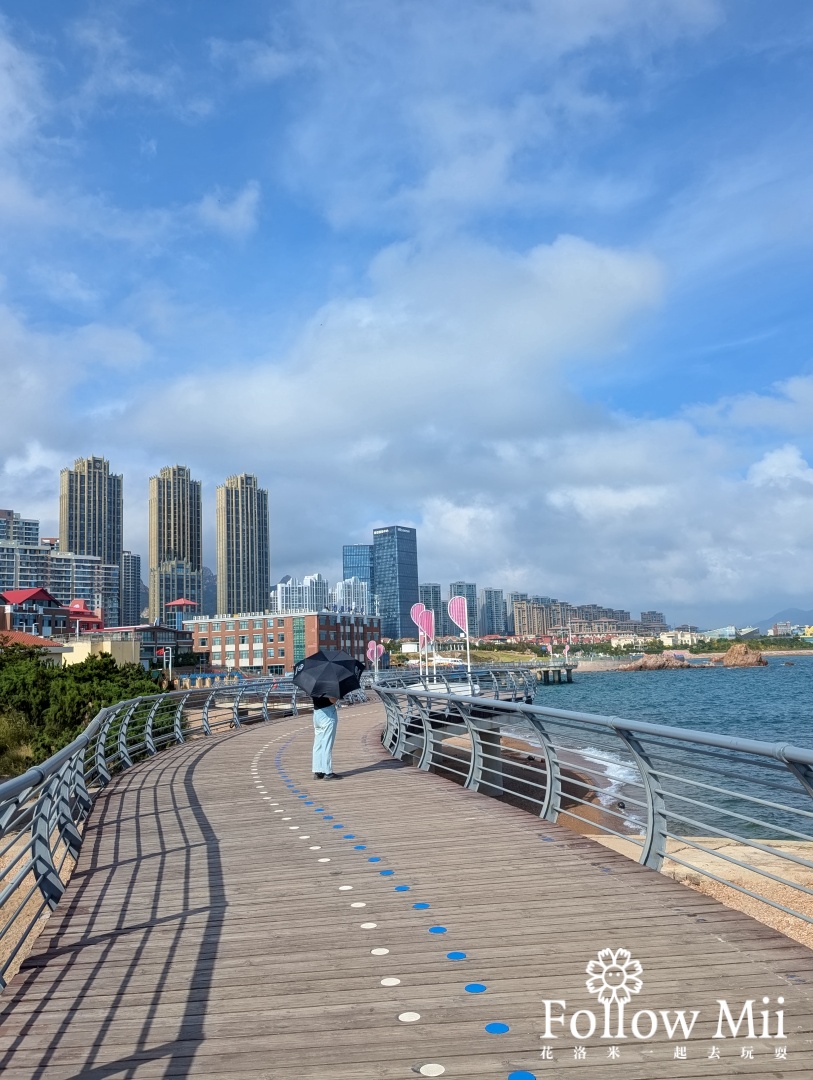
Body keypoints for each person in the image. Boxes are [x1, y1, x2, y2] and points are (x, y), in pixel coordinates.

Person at [312, 694, 342, 779]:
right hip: (327, 714)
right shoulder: (329, 685)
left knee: (318, 744)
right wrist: (337, 695)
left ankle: (317, 771)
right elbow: (332, 700)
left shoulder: (315, 684)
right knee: (327, 744)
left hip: (317, 713)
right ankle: (327, 772)